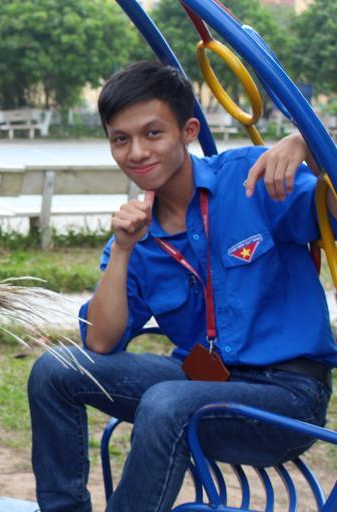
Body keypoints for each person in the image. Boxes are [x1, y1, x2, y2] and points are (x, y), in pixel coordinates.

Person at [27, 61, 336, 512]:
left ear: (188, 131)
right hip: (200, 382)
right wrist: (124, 250)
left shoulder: (248, 178)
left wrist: (310, 143)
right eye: (120, 139)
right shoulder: (136, 235)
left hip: (286, 396)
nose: (137, 152)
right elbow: (100, 342)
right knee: (56, 369)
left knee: (167, 401)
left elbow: (330, 213)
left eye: (153, 134)